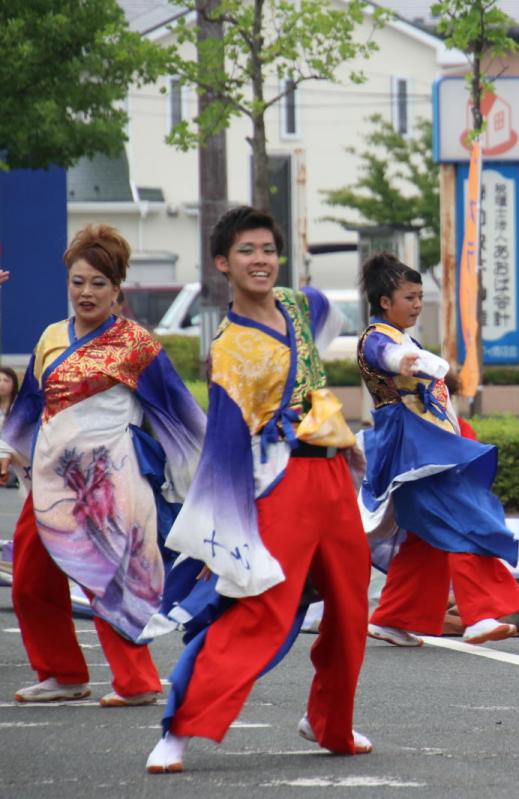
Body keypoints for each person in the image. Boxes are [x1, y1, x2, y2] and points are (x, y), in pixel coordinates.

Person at [145, 207, 372, 774]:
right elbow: (223, 446)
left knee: (349, 612)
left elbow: (329, 327)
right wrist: (217, 537)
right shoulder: (231, 348)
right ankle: (178, 726)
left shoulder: (301, 305)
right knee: (257, 611)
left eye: (268, 249)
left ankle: (329, 723)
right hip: (280, 482)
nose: (261, 260)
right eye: (246, 251)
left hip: (335, 480)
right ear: (223, 263)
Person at [0, 225, 205, 707]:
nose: (86, 292)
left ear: (117, 289)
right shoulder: (52, 337)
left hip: (107, 485)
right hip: (50, 482)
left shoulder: (136, 344)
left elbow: (183, 417)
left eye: (98, 283)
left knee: (107, 582)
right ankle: (63, 673)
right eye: (78, 281)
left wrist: (206, 482)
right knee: (29, 580)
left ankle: (137, 682)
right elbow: (28, 407)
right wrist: (7, 452)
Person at [354, 252, 519, 649]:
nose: (417, 304)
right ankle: (480, 613)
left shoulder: (403, 337)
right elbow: (389, 357)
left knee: (429, 537)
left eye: (419, 297)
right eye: (410, 297)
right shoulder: (377, 339)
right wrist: (410, 361)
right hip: (411, 449)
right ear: (385, 301)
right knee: (459, 518)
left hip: (425, 443)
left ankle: (394, 617)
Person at [0, 366, 19, 488]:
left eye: (6, 380)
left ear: (14, 384)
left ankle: (5, 472)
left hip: (15, 453)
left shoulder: (21, 407)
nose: (1, 384)